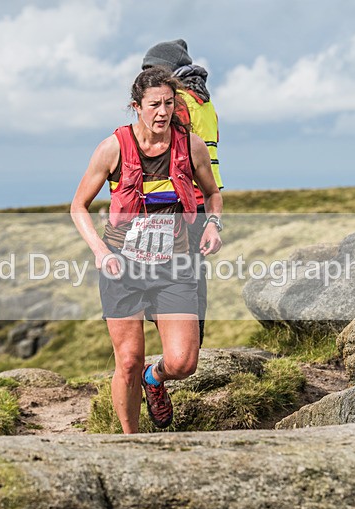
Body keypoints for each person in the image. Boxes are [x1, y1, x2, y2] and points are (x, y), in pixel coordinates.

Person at [71, 68, 223, 433]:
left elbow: (212, 193)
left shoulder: (191, 146)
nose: (163, 112)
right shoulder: (113, 148)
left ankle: (154, 378)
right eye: (154, 104)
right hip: (122, 267)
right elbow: (79, 206)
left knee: (183, 363)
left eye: (169, 103)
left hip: (174, 265)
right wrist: (100, 251)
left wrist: (214, 224)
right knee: (128, 361)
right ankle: (131, 442)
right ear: (136, 106)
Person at [142, 39, 224, 347]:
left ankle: (180, 351)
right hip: (203, 201)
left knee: (164, 278)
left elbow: (162, 148)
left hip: (178, 202)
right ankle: (191, 346)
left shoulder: (176, 102)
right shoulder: (205, 102)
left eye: (152, 69)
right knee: (193, 276)